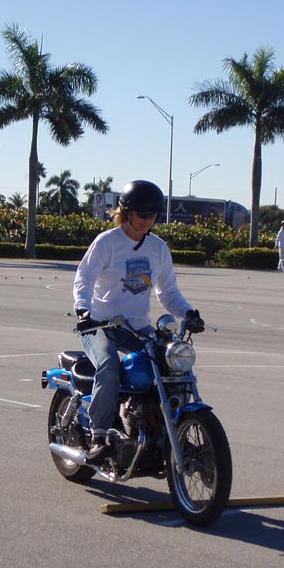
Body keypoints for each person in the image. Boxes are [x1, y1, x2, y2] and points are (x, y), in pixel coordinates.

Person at [73, 180, 204, 463]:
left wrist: (189, 313)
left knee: (172, 363)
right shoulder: (107, 242)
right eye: (142, 214)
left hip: (137, 326)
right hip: (100, 325)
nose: (147, 220)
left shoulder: (158, 248)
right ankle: (98, 436)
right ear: (126, 211)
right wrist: (83, 311)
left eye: (153, 215)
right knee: (109, 365)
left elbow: (168, 292)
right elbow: (84, 279)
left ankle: (168, 427)